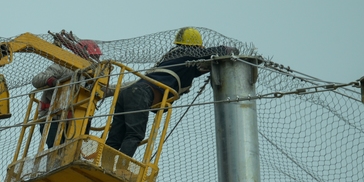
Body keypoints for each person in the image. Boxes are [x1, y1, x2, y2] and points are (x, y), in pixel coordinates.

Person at [105, 27, 238, 158]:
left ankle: (104, 163)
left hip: (128, 93)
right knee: (134, 135)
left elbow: (192, 70)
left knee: (116, 136)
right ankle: (120, 169)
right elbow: (224, 50)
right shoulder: (191, 53)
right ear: (196, 46)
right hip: (142, 94)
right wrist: (233, 53)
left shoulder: (173, 58)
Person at [31, 39, 102, 148]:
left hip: (77, 120)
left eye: (97, 57)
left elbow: (104, 90)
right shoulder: (63, 66)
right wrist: (55, 82)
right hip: (53, 118)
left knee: (77, 151)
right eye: (94, 57)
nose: (96, 60)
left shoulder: (92, 75)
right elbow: (37, 80)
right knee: (56, 150)